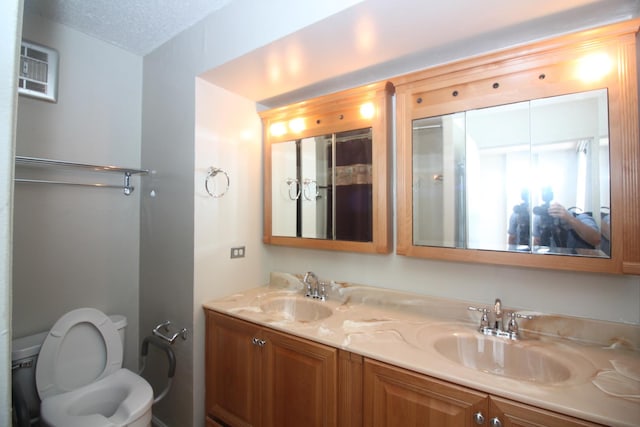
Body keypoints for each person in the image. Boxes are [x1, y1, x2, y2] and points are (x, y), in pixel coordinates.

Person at [533, 202, 600, 252]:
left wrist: (569, 219)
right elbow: (537, 244)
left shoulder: (582, 218)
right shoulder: (540, 221)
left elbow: (596, 239)